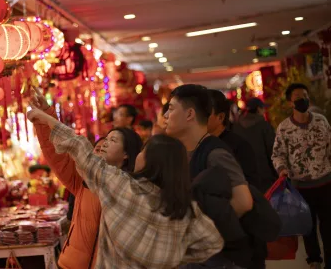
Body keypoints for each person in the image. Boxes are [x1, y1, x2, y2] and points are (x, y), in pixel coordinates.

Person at [28, 103, 224, 269]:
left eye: (144, 152)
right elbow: (211, 243)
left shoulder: (124, 187)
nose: (103, 145)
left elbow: (79, 147)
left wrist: (45, 118)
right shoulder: (180, 203)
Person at [30, 87, 142, 269]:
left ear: (126, 155)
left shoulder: (129, 188)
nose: (105, 144)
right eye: (105, 140)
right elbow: (56, 153)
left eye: (113, 141)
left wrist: (46, 117)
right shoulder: (83, 181)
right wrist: (44, 117)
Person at [164, 84, 254, 269]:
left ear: (189, 115)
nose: (165, 116)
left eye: (171, 109)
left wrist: (202, 231)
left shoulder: (215, 153)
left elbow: (244, 202)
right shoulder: (182, 152)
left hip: (218, 259)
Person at [272, 83, 331, 269]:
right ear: (291, 102)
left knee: (329, 226)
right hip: (301, 187)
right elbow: (277, 154)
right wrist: (282, 168)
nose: (302, 99)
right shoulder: (284, 128)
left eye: (304, 95)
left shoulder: (321, 121)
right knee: (308, 226)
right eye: (297, 97)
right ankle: (314, 259)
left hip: (326, 182)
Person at [208, 90, 267, 269]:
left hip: (242, 237)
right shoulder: (199, 145)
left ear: (220, 117)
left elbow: (251, 190)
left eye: (204, 113)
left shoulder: (237, 146)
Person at [207, 90, 260, 189]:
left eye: (206, 113)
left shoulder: (239, 146)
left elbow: (251, 184)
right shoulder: (199, 143)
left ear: (220, 117)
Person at [233, 97, 278, 193]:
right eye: (263, 108)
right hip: (264, 177)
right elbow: (273, 151)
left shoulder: (236, 127)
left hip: (243, 177)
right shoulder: (264, 126)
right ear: (258, 109)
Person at [66, 138, 105, 221]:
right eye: (97, 150)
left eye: (104, 151)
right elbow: (71, 214)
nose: (100, 155)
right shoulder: (81, 178)